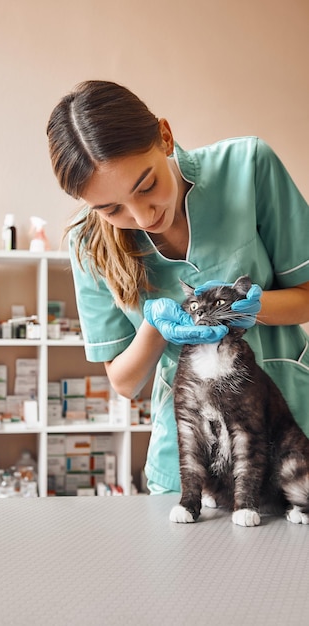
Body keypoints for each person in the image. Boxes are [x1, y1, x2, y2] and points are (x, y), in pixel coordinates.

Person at [47, 80, 309, 494]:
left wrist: (247, 309)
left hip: (291, 435)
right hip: (190, 458)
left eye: (146, 186)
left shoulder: (247, 167)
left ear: (165, 137)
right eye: (111, 208)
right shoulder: (88, 243)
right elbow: (124, 382)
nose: (142, 215)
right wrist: (155, 328)